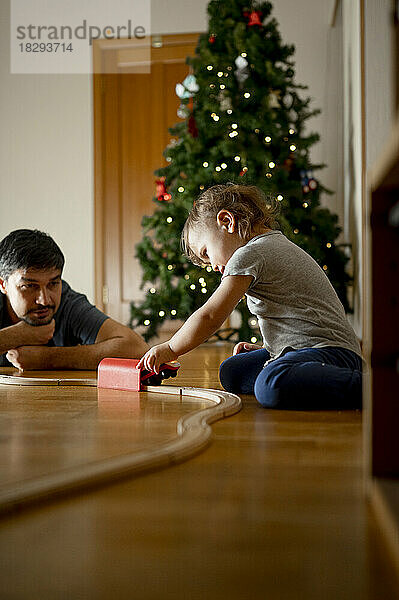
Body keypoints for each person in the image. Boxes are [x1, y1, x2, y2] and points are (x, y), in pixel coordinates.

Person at [138, 183, 363, 410]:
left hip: (331, 353)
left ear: (227, 222)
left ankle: (370, 387)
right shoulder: (268, 245)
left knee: (270, 385)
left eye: (206, 253)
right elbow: (294, 318)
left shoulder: (249, 254)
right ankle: (288, 367)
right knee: (232, 372)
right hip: (311, 349)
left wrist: (170, 348)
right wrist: (270, 347)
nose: (213, 267)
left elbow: (210, 316)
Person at [0, 229, 149, 371]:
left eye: (53, 283)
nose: (44, 301)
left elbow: (137, 349)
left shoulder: (68, 303)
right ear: (3, 284)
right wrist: (16, 335)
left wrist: (48, 358)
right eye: (29, 286)